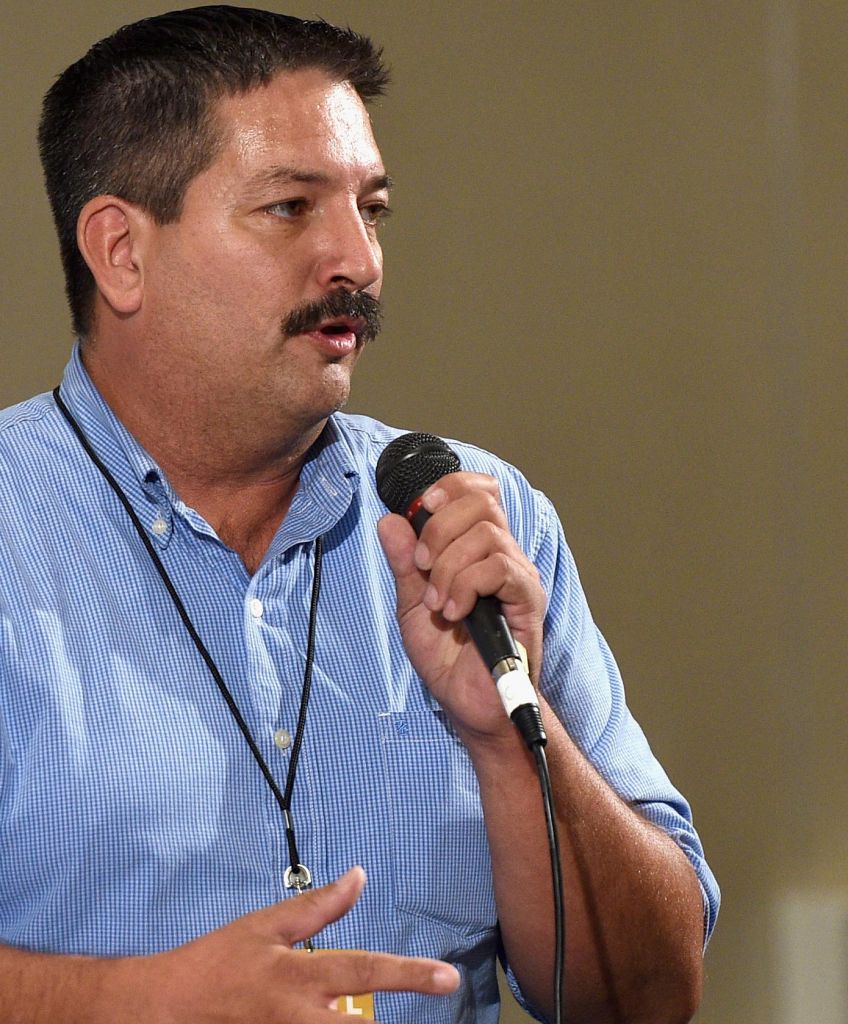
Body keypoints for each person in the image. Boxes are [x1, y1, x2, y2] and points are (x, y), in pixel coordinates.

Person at [0, 7, 718, 1023]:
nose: (358, 261)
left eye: (370, 209)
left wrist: (511, 737)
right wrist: (137, 1000)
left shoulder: (473, 523)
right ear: (121, 252)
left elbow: (647, 998)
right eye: (291, 208)